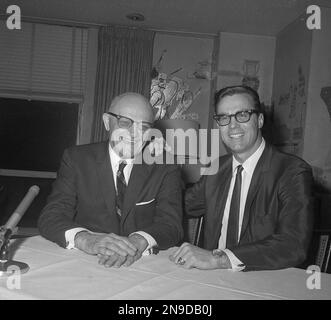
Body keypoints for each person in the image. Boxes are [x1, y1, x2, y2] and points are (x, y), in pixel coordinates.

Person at [170, 85, 313, 271]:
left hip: (262, 279)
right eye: (224, 118)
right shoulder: (216, 168)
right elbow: (176, 204)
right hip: (212, 280)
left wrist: (219, 260)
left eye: (242, 115)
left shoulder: (291, 171)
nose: (232, 125)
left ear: (260, 120)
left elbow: (293, 244)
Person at [38, 92, 183, 268]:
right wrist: (86, 239)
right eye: (125, 122)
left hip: (143, 265)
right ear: (107, 122)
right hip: (85, 262)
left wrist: (138, 241)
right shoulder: (77, 159)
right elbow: (52, 216)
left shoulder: (165, 166)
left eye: (144, 126)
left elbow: (171, 225)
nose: (134, 134)